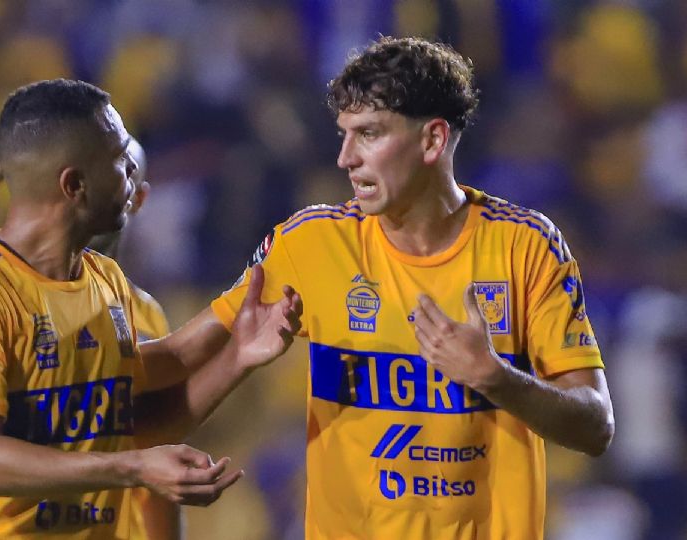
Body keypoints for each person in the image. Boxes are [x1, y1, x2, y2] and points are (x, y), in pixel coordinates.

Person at [166, 37, 615, 538]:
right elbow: (178, 360)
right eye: (344, 135)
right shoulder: (311, 243)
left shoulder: (525, 247)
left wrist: (497, 378)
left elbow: (596, 426)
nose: (345, 158)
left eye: (369, 134)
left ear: (432, 141)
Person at [0, 79, 301, 539]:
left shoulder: (104, 279)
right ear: (74, 184)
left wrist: (240, 342)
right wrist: (132, 468)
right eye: (119, 160)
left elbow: (142, 410)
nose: (132, 177)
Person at [0, 140, 184, 539]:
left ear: (135, 193)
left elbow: (156, 450)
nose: (85, 183)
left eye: (118, 166)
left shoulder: (142, 312)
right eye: (77, 171)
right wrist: (20, 150)